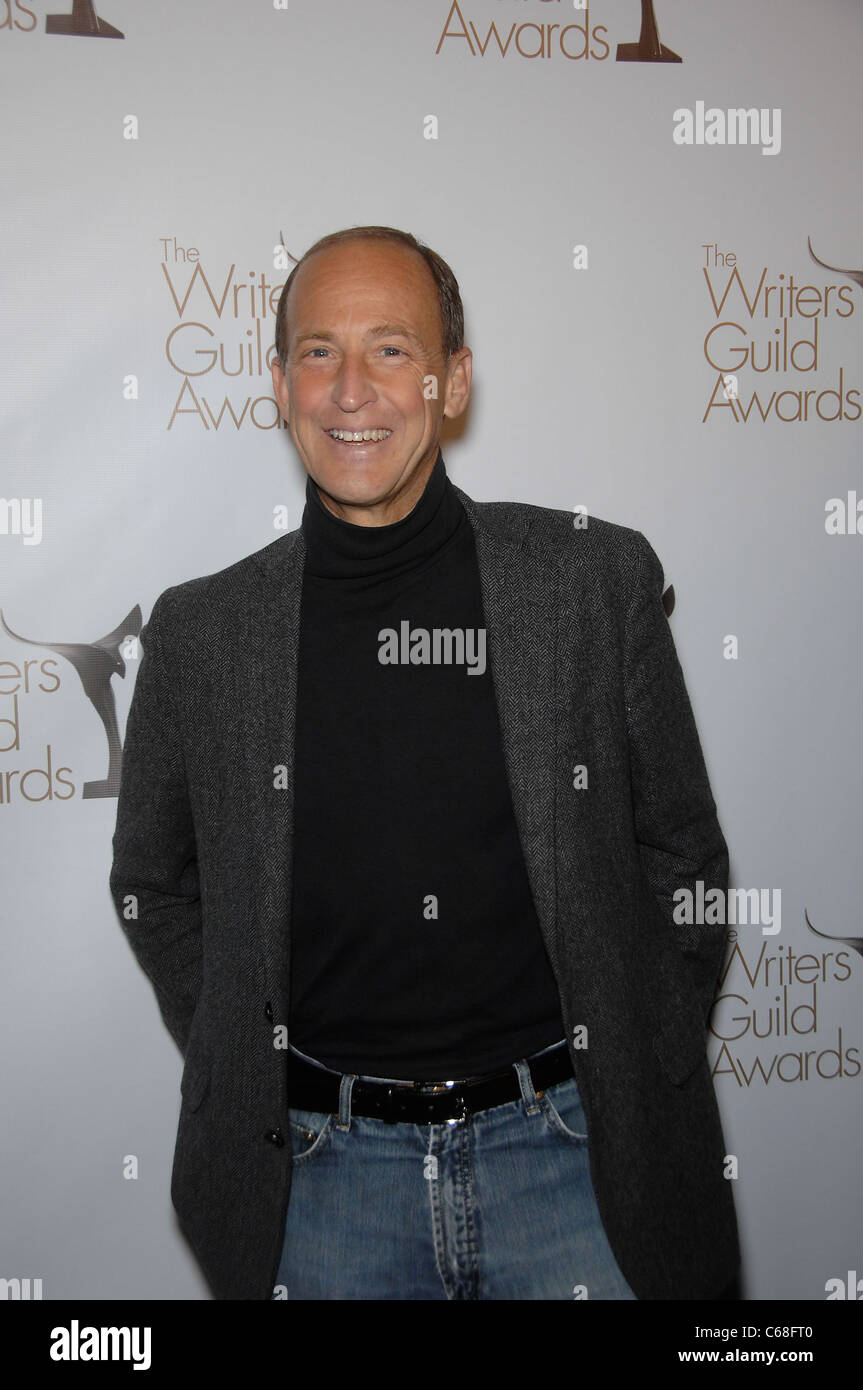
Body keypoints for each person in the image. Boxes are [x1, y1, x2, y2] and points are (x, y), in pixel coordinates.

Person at [110, 225, 740, 1301]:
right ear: (277, 383)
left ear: (452, 381)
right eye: (318, 351)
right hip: (317, 1188)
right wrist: (240, 1044)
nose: (351, 388)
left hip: (578, 1165)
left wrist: (637, 1049)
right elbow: (154, 885)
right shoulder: (201, 632)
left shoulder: (592, 582)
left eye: (392, 349)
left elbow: (680, 857)